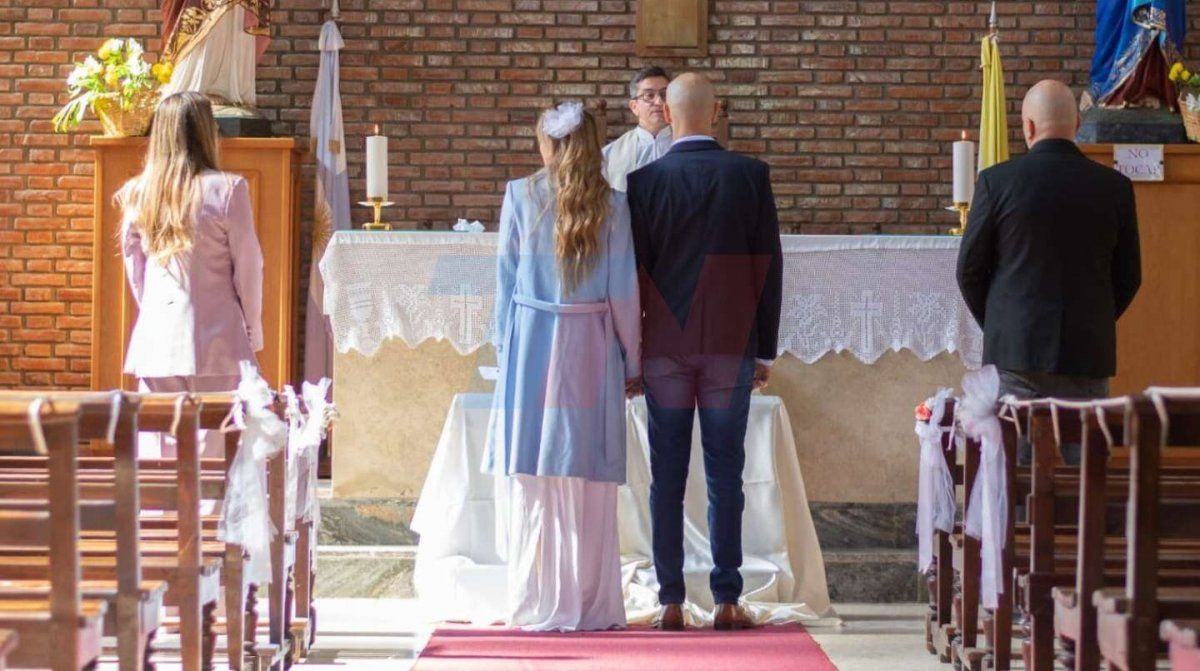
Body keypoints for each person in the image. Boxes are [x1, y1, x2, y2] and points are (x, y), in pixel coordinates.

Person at [626, 72, 783, 631]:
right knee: (725, 474)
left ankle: (670, 599)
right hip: (727, 345)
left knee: (666, 475)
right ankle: (727, 599)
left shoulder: (643, 182)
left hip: (665, 348)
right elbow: (768, 265)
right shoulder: (749, 175)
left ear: (668, 114)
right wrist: (764, 349)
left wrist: (633, 354)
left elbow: (634, 274)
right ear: (715, 112)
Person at [484, 101, 642, 631]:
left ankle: (534, 595)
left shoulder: (520, 194)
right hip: (591, 342)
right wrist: (633, 360)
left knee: (537, 472)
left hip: (532, 340)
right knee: (586, 472)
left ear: (549, 143)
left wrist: (504, 351)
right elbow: (624, 291)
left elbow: (505, 282)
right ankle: (590, 600)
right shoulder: (614, 205)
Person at [957, 79, 1142, 406]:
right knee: (1082, 441)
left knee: (1016, 441)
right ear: (1078, 124)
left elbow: (969, 271)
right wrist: (1091, 319)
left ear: (1028, 126)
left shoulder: (996, 182)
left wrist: (1004, 322)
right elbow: (1129, 276)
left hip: (1015, 353)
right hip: (1086, 354)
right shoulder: (1115, 187)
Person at [117, 91, 264, 456]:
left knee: (159, 452)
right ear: (206, 132)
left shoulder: (138, 192)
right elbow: (248, 266)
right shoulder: (228, 188)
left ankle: (160, 498)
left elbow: (136, 270)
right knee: (214, 453)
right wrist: (252, 327)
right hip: (218, 337)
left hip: (157, 338)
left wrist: (154, 312)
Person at [602, 66, 673, 192]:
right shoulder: (609, 155)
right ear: (634, 107)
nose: (659, 102)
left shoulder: (686, 146)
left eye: (664, 94)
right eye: (649, 95)